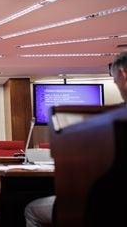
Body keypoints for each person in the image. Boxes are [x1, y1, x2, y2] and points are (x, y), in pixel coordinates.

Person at [24, 51, 127, 227]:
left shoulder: (110, 120)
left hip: (109, 204)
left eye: (115, 82)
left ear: (123, 74)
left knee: (32, 210)